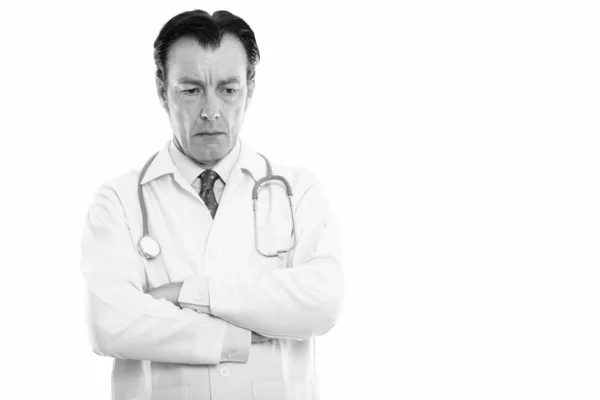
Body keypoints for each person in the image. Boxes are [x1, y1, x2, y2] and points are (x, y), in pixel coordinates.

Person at [80, 9, 344, 400]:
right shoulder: (118, 201)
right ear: (161, 89)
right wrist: (238, 335)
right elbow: (111, 323)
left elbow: (321, 302)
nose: (210, 110)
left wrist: (188, 292)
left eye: (228, 89)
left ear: (249, 88)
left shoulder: (298, 191)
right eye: (191, 89)